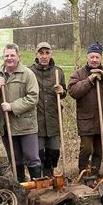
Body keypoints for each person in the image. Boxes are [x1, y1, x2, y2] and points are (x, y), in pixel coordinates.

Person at [68, 42, 103, 175]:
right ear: (87, 57)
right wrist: (89, 80)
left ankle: (94, 173)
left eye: (97, 57)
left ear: (101, 58)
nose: (94, 60)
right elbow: (73, 92)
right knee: (87, 148)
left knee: (99, 150)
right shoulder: (79, 74)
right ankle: (83, 172)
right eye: (92, 57)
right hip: (86, 119)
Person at [0, 43, 41, 182]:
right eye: (6, 55)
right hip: (7, 126)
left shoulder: (27, 74)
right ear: (3, 57)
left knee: (32, 158)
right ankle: (21, 189)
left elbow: (33, 97)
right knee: (15, 160)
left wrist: (12, 106)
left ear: (18, 57)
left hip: (26, 125)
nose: (9, 58)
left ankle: (37, 189)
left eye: (12, 55)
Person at [29, 42, 67, 176]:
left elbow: (64, 93)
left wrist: (62, 91)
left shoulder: (58, 72)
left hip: (53, 120)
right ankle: (39, 180)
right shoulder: (30, 72)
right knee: (38, 154)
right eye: (41, 53)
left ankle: (50, 176)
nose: (44, 56)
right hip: (36, 121)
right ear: (37, 54)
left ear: (51, 54)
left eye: (47, 53)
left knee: (53, 153)